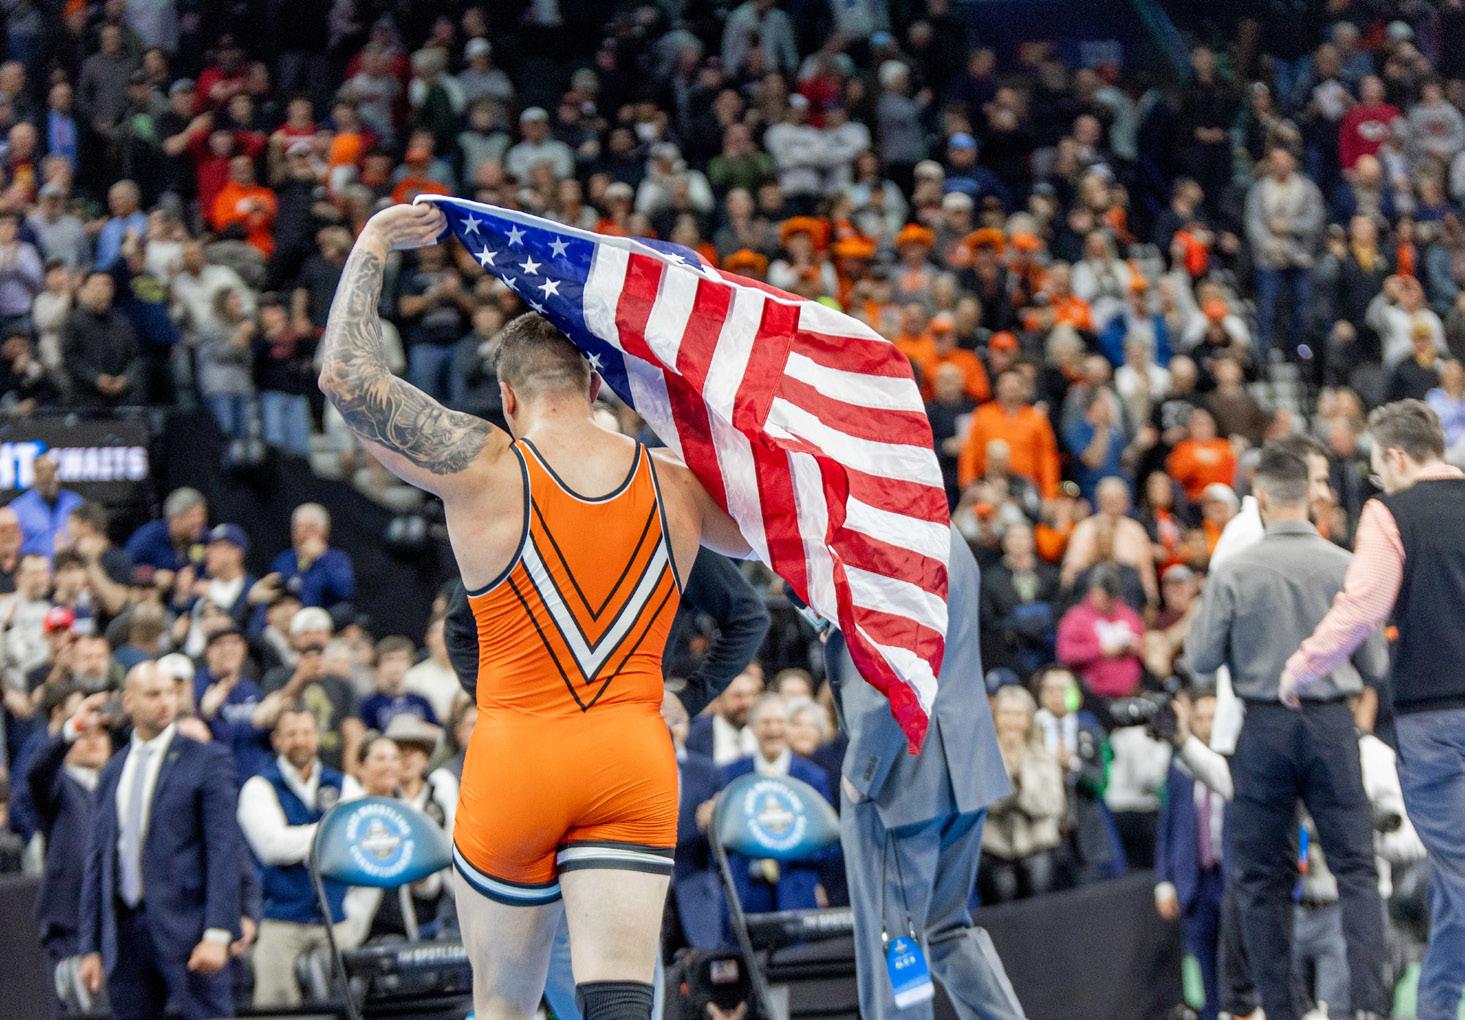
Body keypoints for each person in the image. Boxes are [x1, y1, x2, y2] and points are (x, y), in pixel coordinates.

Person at [315, 203, 747, 1020]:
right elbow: (775, 526)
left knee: (504, 1006)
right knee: (621, 1003)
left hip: (518, 758)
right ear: (595, 386)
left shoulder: (482, 468)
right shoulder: (678, 484)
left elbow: (345, 377)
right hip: (630, 757)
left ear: (507, 399)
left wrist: (371, 242)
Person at [1187, 443, 1391, 1020]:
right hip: (1330, 725)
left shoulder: (1234, 570)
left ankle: (1281, 1010)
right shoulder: (1343, 564)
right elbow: (1375, 663)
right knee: (1357, 869)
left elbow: (1201, 659)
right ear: (1310, 496)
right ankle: (1370, 1009)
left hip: (1264, 727)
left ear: (1261, 496)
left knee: (1260, 878)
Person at [1282, 400, 1465, 1020]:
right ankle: (1436, 1009)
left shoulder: (1391, 512)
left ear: (1395, 456)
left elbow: (1362, 607)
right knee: (1453, 881)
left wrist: (1302, 667)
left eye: (1376, 467)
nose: (1377, 478)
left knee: (1458, 872)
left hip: (1432, 720)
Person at [831, 526, 1024, 1019]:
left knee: (897, 940)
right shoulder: (948, 533)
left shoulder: (887, 531)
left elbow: (897, 664)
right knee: (946, 929)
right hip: (965, 762)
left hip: (901, 771)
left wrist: (863, 769)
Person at [77, 661, 243, 1019]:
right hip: (125, 936)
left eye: (170, 693)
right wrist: (90, 945)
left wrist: (218, 932)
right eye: (153, 694)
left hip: (190, 932)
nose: (165, 702)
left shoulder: (207, 759)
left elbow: (224, 850)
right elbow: (98, 861)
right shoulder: (112, 770)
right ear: (128, 701)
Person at [237, 705, 361, 1008]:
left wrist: (301, 838)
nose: (300, 740)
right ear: (277, 740)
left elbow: (356, 839)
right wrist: (331, 831)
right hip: (280, 918)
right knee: (274, 1006)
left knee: (355, 1002)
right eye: (291, 734)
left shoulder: (342, 783)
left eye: (306, 732)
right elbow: (272, 847)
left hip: (336, 917)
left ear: (317, 736)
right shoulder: (259, 786)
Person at [721, 693, 832, 914]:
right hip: (744, 894)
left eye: (780, 722)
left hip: (796, 893)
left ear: (789, 727)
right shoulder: (731, 775)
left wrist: (788, 846)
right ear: (752, 727)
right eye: (766, 722)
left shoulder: (812, 778)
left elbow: (828, 842)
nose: (773, 730)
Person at [1155, 689, 1228, 1020]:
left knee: (1239, 962)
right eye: (1199, 718)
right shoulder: (1180, 767)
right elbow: (1167, 825)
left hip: (1232, 878)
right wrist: (1164, 881)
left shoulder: (1238, 762)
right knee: (1203, 966)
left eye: (1213, 717)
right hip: (1195, 882)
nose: (1207, 725)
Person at [979, 684, 1066, 903]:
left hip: (1037, 846)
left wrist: (1022, 796)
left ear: (1029, 719)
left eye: (1018, 714)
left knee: (1039, 908)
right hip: (995, 849)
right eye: (1006, 714)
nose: (1012, 721)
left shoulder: (1043, 755)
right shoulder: (982, 755)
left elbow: (1055, 804)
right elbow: (980, 800)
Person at [10, 452, 82, 558]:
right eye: (41, 470)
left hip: (68, 564)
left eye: (51, 470)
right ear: (34, 474)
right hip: (33, 565)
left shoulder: (75, 503)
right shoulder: (18, 508)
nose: (46, 476)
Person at [685, 667, 760, 764]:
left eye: (752, 695)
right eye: (738, 696)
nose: (746, 703)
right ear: (718, 700)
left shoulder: (768, 732)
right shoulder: (694, 736)